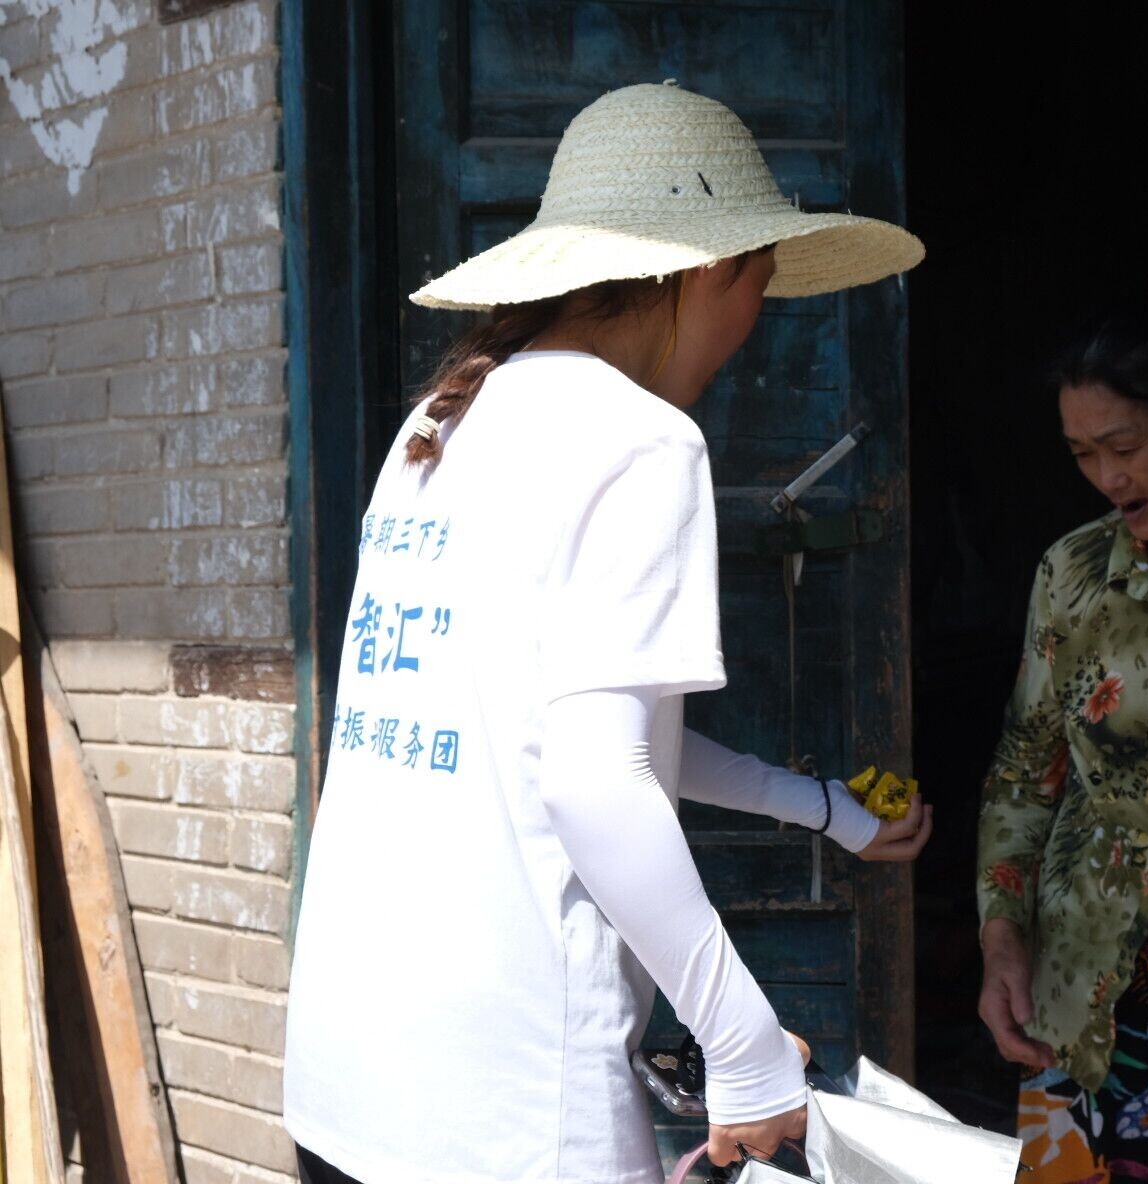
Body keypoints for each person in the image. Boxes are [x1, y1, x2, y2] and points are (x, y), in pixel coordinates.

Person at [283, 82, 931, 1184]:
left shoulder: (445, 419)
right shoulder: (641, 441)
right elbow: (596, 779)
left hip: (351, 1077)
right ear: (707, 270)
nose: (751, 326)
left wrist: (820, 807)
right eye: (760, 287)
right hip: (511, 1105)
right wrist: (744, 1044)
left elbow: (562, 737)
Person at [976, 317, 1148, 1184]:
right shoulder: (1074, 571)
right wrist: (1001, 942)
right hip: (1081, 972)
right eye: (1083, 454)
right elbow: (1026, 768)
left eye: (1123, 445)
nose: (1107, 476)